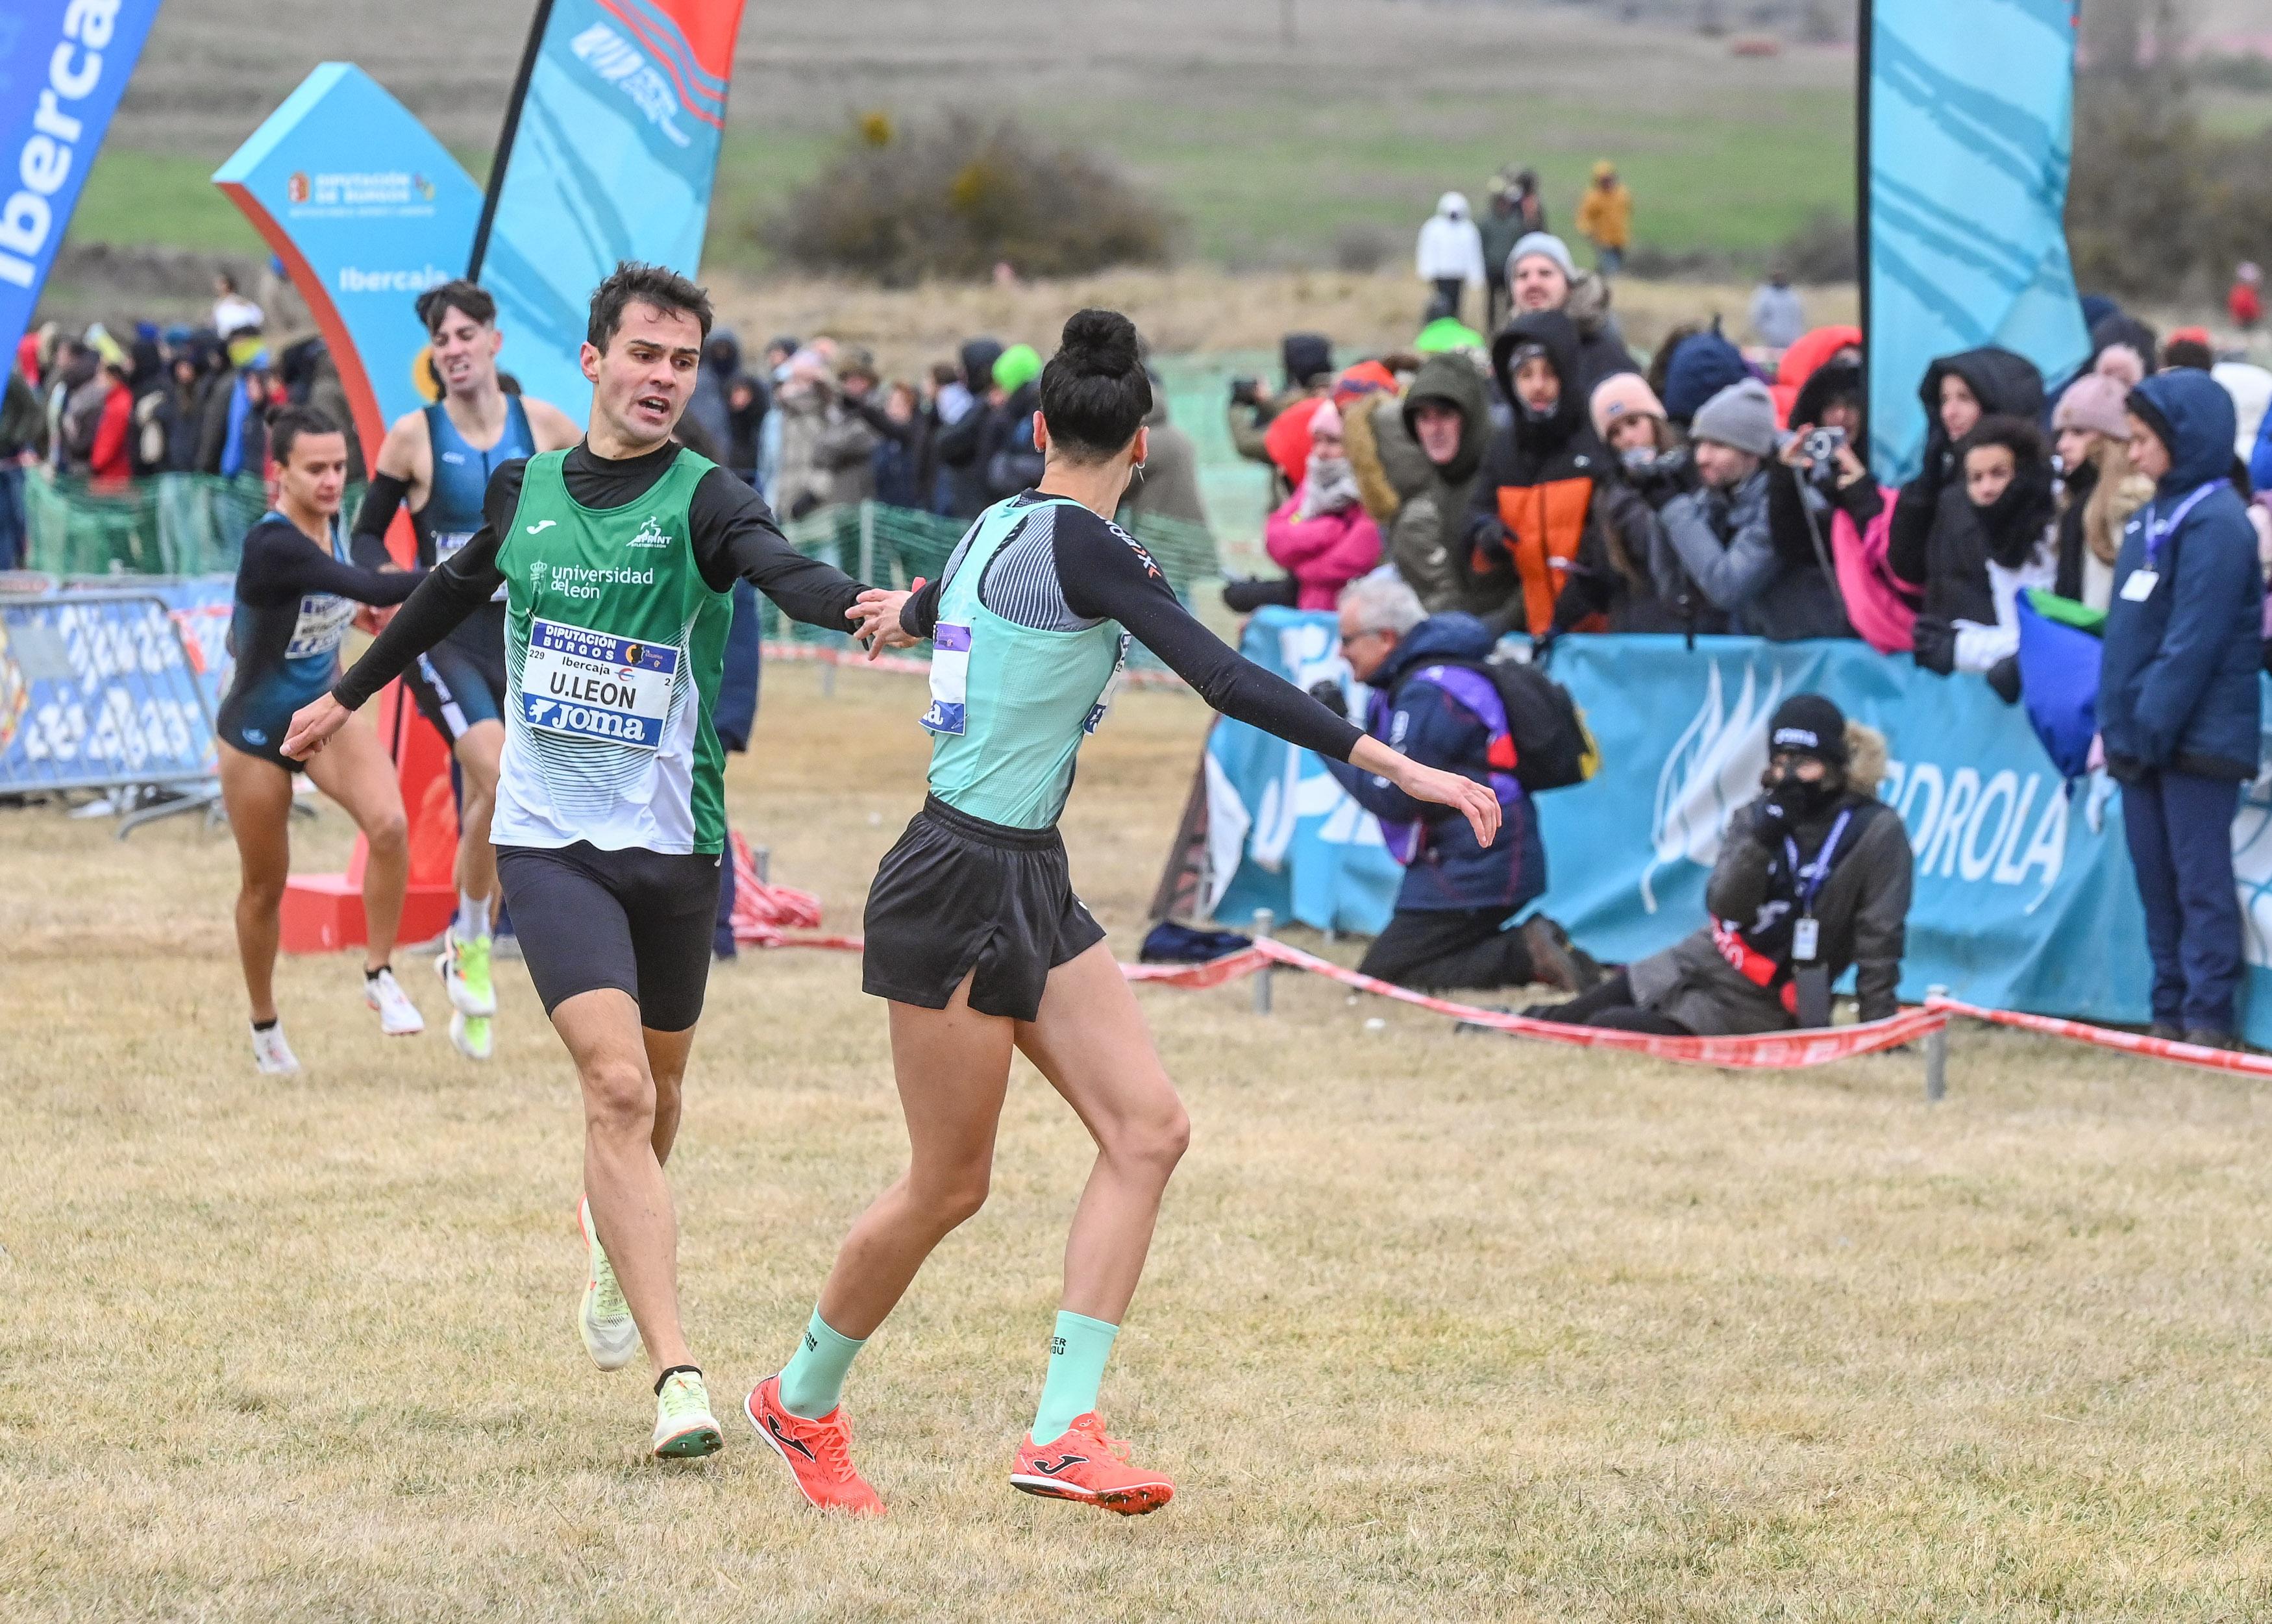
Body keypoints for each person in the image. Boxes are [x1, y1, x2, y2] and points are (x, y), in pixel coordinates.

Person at [748, 309, 1499, 1518]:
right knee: (949, 1184)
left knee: (1148, 1130)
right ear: (1141, 443)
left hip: (1028, 874)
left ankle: (1063, 1429)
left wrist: (901, 615)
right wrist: (1391, 761)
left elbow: (936, 603)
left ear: (1040, 428)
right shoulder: (1091, 547)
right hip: (955, 878)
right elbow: (1226, 676)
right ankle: (799, 1398)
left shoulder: (996, 516)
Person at [286, 261, 904, 1460]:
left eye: (683, 361)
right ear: (593, 360)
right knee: (615, 1088)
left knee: (659, 1095)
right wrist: (344, 695)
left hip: (673, 848)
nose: (663, 378)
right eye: (644, 355)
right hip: (548, 840)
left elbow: (787, 571)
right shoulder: (527, 488)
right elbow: (447, 588)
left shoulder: (709, 498)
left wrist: (864, 603)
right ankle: (681, 1377)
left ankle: (617, 1248)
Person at [351, 280, 583, 1063]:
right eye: (439, 342)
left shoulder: (545, 425)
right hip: (442, 638)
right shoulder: (411, 437)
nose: (451, 351)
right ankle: (476, 936)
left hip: (525, 635)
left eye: (462, 336)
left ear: (493, 341)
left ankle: (471, 938)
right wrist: (386, 594)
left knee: (500, 788)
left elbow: (598, 512)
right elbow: (366, 538)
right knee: (506, 774)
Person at [216, 407, 431, 1075]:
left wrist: (352, 619)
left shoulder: (334, 524)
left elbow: (343, 601)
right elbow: (364, 583)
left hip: (325, 712)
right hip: (255, 731)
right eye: (316, 469)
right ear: (278, 473)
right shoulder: (271, 544)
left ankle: (378, 973)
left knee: (391, 826)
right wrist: (467, 573)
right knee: (264, 887)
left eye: (340, 466)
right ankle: (264, 1026)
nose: (334, 480)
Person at [1531, 695, 1911, 1036]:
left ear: (1835, 766)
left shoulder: (1875, 831)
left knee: (1610, 1028)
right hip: (1710, 953)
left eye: (1806, 763)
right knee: (1567, 1019)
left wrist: (1879, 1031)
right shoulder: (1757, 815)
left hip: (1763, 997)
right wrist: (1763, 839)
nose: (1791, 777)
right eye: (1781, 763)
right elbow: (1727, 907)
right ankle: (1507, 1024)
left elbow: (1880, 936)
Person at [1320, 575, 1600, 995]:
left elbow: (1390, 793)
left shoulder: (1428, 691)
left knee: (1382, 983)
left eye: (1347, 639)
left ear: (1386, 638)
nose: (1341, 653)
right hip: (1475, 855)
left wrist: (1327, 736)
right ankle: (1532, 949)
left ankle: (1525, 953)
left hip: (1478, 860)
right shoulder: (1425, 679)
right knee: (1404, 969)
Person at [2099, 371, 2265, 1049]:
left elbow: (2191, 640)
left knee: (2199, 883)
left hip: (2195, 741)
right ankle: (2164, 1007)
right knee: (2156, 883)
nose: (2132, 454)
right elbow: (2125, 636)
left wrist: (2148, 724)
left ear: (2184, 439)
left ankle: (2206, 1015)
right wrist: (2117, 725)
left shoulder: (2220, 523)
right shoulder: (2148, 519)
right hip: (2140, 740)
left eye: (2143, 440)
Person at [1463, 310, 1622, 635]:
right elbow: (1476, 513)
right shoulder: (1504, 449)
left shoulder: (1596, 443)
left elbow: (1608, 552)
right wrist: (1487, 535)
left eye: (1549, 373)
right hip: (1540, 629)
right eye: (1525, 375)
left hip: (1603, 633)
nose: (1538, 386)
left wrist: (1568, 615)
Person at [1654, 379, 1850, 640]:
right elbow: (1674, 590)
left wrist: (1673, 508)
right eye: (1700, 445)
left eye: (1718, 446)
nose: (1702, 458)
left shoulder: (1787, 501)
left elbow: (1727, 586)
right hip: (1773, 654)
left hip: (1815, 655)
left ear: (1753, 453)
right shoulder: (1721, 497)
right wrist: (1656, 503)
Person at [1887, 347, 2046, 630]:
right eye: (1944, 399)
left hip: (1993, 653)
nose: (1949, 412)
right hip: (1954, 651)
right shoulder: (1944, 481)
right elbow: (1907, 566)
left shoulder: (2031, 484)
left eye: (1964, 398)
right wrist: (1928, 481)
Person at [1909, 417, 2058, 691]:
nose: (1987, 489)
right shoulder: (1999, 534)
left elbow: (2052, 637)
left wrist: (1960, 647)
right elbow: (2016, 634)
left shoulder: (2056, 527)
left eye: (1998, 474)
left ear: (2024, 472)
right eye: (1976, 478)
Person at [1375, 350, 1491, 613]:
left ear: (1470, 417)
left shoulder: (1499, 478)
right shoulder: (1431, 488)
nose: (1434, 429)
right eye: (1424, 418)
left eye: (1445, 415)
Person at [1261, 401, 1383, 609]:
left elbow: (1352, 560)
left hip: (1355, 613)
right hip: (1312, 614)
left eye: (1333, 442)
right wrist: (1330, 530)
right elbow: (1275, 539)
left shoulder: (1370, 491)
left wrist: (1301, 564)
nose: (1321, 451)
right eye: (1317, 441)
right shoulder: (1314, 484)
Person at [2049, 374, 2151, 613]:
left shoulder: (2128, 505)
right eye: (2061, 434)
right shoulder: (2074, 502)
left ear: (2113, 440)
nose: (2063, 445)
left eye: (2078, 432)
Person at [1502, 234, 1636, 393]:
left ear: (1569, 285)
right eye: (1522, 276)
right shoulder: (1506, 347)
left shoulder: (1600, 344)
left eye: (1545, 273)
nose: (1533, 283)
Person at [1415, 191, 1487, 328]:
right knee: (1440, 303)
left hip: (1459, 275)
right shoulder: (1434, 228)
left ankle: (1454, 326)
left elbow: (1473, 254)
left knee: (1457, 304)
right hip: (1440, 274)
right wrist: (1426, 270)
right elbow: (1427, 250)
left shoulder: (1468, 229)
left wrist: (1475, 276)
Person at [1477, 184, 1525, 336]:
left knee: (1511, 300)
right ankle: (1491, 329)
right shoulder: (1486, 223)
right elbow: (1480, 245)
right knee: (1491, 301)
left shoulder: (1516, 223)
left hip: (1509, 269)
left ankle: (1509, 326)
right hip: (1491, 268)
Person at [1574, 161, 1632, 276]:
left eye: (1609, 179)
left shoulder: (1622, 194)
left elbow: (1628, 211)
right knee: (1612, 270)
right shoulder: (1593, 198)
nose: (1607, 182)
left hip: (1621, 240)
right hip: (1604, 241)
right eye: (1604, 180)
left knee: (1616, 268)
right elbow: (1583, 218)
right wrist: (1588, 232)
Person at [1749, 264, 1806, 351]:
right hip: (1770, 343)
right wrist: (1767, 333)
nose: (1780, 278)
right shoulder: (1764, 296)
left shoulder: (1793, 295)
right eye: (1777, 276)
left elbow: (1799, 317)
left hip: (1790, 342)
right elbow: (1756, 318)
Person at [212, 272, 263, 340]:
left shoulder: (239, 301)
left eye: (222, 284)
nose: (219, 287)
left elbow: (258, 316)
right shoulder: (218, 304)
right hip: (227, 339)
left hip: (243, 335)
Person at [2232, 263, 2263, 334]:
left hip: (2246, 323)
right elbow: (2248, 310)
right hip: (2245, 325)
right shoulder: (2242, 293)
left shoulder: (2250, 293)